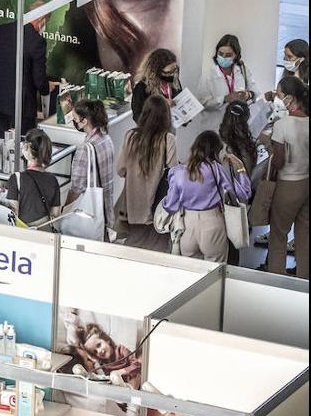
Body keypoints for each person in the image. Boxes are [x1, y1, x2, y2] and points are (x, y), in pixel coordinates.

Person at [161, 131, 251, 262]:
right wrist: (241, 169)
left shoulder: (178, 172)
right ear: (215, 150)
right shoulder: (216, 169)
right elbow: (244, 193)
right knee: (215, 272)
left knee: (191, 272)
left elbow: (170, 205)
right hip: (212, 223)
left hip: (187, 226)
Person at [116, 94, 177, 251]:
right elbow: (173, 173)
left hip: (133, 207)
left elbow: (120, 169)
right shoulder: (168, 139)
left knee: (133, 251)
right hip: (158, 208)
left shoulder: (131, 136)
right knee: (158, 252)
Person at [0, 4, 50, 136]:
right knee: (21, 147)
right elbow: (39, 79)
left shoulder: (1, 31)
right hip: (22, 108)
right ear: (42, 20)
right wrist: (46, 88)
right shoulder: (37, 41)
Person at [267, 76, 308, 278]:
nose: (277, 96)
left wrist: (270, 148)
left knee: (278, 233)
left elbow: (279, 163)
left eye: (279, 94)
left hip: (288, 185)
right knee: (305, 235)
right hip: (307, 182)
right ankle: (304, 280)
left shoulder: (282, 125)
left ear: (290, 98)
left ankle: (276, 278)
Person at [66, 98, 116, 233]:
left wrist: (65, 210)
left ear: (84, 121)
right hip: (105, 211)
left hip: (88, 215)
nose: (74, 122)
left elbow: (76, 188)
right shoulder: (107, 139)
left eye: (75, 119)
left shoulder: (85, 149)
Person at [6, 129, 61, 228]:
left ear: (27, 147)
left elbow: (11, 214)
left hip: (24, 234)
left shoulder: (16, 178)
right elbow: (55, 213)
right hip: (44, 233)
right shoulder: (53, 180)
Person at [130, 48, 180, 124]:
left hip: (170, 127)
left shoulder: (173, 81)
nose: (173, 74)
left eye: (175, 70)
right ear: (155, 71)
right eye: (168, 72)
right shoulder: (142, 87)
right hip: (151, 131)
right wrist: (161, 106)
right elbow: (137, 117)